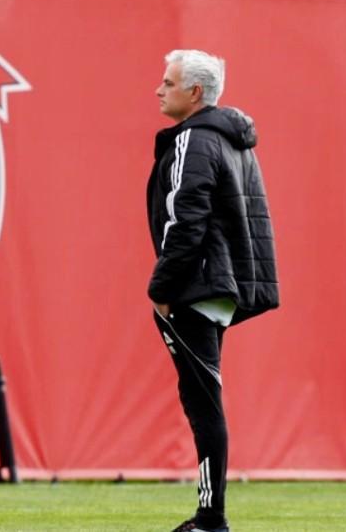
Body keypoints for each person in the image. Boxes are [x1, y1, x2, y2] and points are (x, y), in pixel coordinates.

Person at [147, 50, 279, 532]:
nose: (159, 90)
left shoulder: (194, 140)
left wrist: (162, 286)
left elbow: (187, 216)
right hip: (218, 286)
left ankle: (210, 518)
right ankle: (209, 515)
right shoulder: (233, 140)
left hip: (194, 285)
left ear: (194, 93)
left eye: (168, 82)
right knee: (204, 398)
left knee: (202, 402)